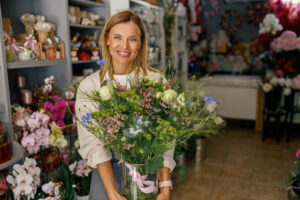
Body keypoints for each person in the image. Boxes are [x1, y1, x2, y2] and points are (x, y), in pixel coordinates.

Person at [75, 11, 175, 200]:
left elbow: (166, 137)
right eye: (117, 37)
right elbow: (94, 144)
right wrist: (112, 193)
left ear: (141, 43)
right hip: (107, 173)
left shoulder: (155, 81)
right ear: (106, 40)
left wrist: (165, 184)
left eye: (132, 39)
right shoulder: (90, 86)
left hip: (147, 170)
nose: (124, 46)